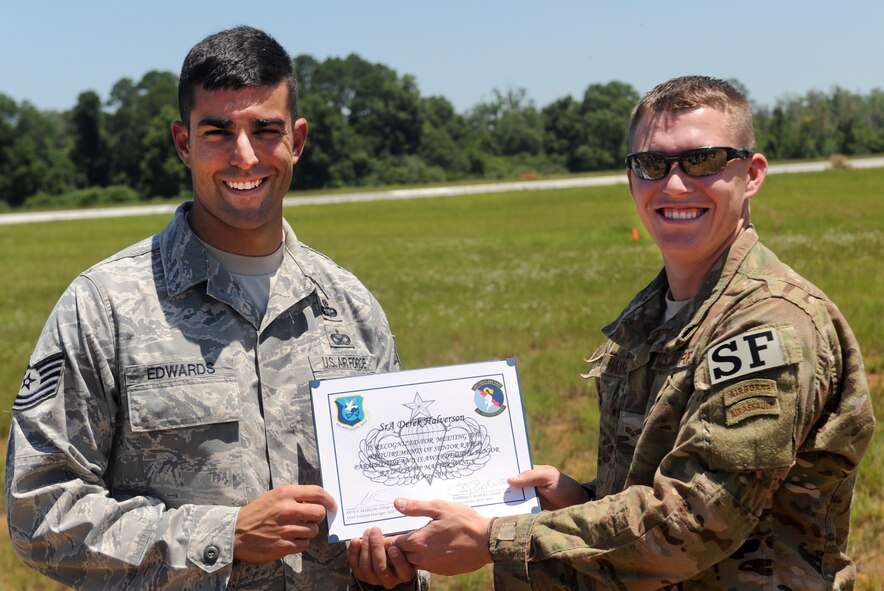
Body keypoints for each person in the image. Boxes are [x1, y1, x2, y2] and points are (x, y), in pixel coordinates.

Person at [384, 76, 876, 589]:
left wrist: (496, 538)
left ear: (751, 174)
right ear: (632, 179)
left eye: (703, 160)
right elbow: (655, 485)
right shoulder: (655, 314)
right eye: (652, 164)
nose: (675, 185)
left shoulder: (771, 326)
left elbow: (694, 519)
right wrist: (580, 499)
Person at [6, 25, 424, 590]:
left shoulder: (351, 309)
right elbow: (40, 511)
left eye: (266, 129)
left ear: (297, 139)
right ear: (184, 142)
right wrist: (222, 537)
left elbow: (393, 494)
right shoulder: (105, 307)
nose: (245, 155)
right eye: (218, 131)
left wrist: (395, 566)